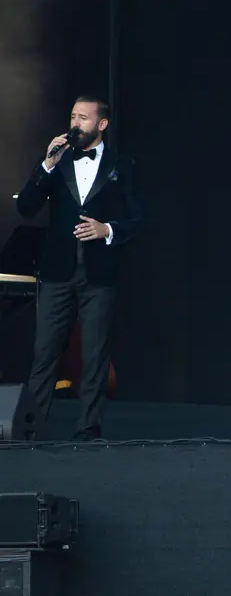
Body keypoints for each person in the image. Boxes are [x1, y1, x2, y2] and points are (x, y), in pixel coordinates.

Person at [16, 95, 142, 440]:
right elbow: (26, 207)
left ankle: (89, 425)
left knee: (95, 351)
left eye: (83, 118)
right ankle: (33, 424)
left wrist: (108, 230)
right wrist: (45, 166)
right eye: (73, 116)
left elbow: (139, 219)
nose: (75, 124)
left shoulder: (123, 165)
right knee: (45, 351)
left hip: (99, 272)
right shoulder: (57, 164)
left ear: (102, 124)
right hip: (58, 270)